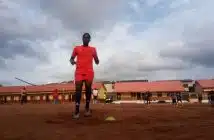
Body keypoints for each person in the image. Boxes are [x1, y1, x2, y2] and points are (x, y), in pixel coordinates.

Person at [70, 33, 99, 119]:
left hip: (89, 72)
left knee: (88, 89)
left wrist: (97, 60)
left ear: (89, 40)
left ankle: (87, 108)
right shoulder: (76, 48)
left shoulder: (93, 49)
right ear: (82, 39)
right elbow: (71, 58)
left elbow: (97, 60)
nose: (86, 39)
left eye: (87, 38)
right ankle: (77, 110)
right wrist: (72, 61)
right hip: (79, 71)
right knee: (78, 90)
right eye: (84, 38)